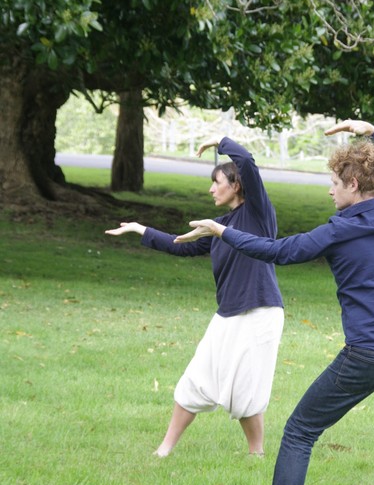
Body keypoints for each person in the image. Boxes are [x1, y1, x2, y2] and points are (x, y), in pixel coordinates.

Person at [174, 119, 374, 485]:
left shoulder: (338, 229)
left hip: (366, 355)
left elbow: (278, 250)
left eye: (334, 184)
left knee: (298, 430)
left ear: (353, 183)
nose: (330, 192)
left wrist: (222, 230)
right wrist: (373, 130)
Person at [105, 138, 284, 457]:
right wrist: (139, 229)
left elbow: (247, 162)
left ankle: (256, 455)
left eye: (217, 183)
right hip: (227, 314)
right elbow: (181, 244)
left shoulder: (257, 213)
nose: (212, 190)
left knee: (243, 393)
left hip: (259, 311)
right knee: (195, 380)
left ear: (236, 185)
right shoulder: (219, 226)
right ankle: (163, 450)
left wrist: (220, 143)